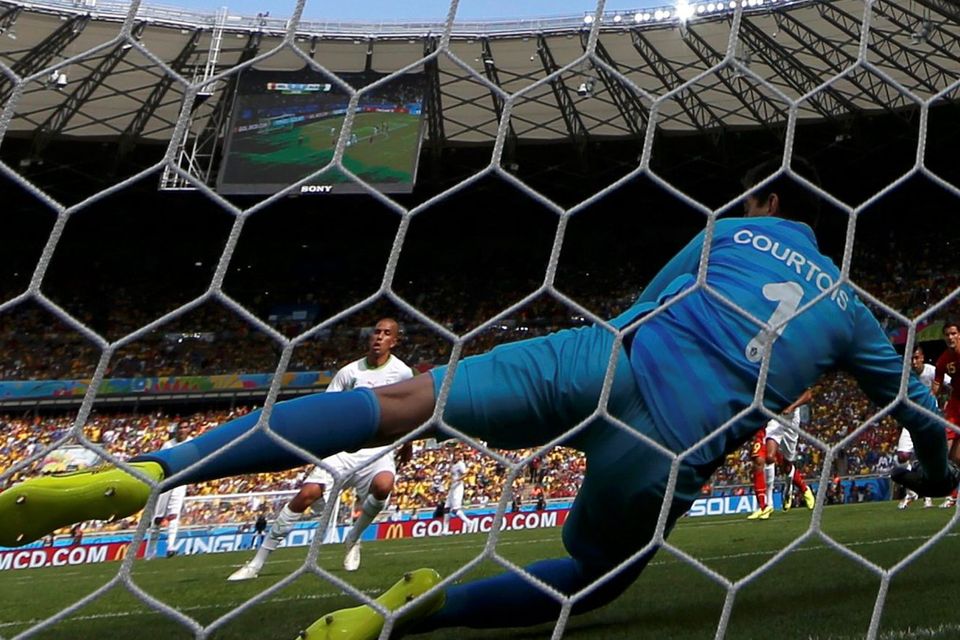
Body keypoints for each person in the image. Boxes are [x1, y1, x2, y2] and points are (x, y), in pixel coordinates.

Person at [2, 160, 957, 640]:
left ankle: (148, 469)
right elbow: (915, 411)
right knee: (597, 574)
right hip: (672, 437)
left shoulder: (724, 233)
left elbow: (653, 300)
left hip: (598, 359)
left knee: (400, 404)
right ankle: (410, 615)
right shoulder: (851, 311)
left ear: (767, 215)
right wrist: (945, 471)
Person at [228, 318, 414, 580]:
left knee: (384, 486)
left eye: (386, 334)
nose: (379, 337)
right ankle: (256, 563)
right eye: (376, 332)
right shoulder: (349, 373)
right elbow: (327, 409)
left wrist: (408, 443)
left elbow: (409, 409)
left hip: (378, 448)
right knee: (306, 495)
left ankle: (353, 538)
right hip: (345, 447)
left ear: (394, 341)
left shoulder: (403, 373)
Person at [898, 346, 943, 509]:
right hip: (911, 418)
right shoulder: (906, 375)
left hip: (929, 418)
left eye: (917, 358)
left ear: (923, 357)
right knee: (902, 456)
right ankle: (911, 494)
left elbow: (951, 383)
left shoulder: (932, 371)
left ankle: (928, 497)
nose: (914, 361)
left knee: (927, 457)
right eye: (911, 358)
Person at [145, 422, 191, 560]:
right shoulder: (167, 445)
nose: (182, 430)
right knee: (158, 518)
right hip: (166, 482)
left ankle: (171, 547)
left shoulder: (192, 443)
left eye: (185, 427)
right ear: (176, 431)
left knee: (174, 514)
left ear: (188, 429)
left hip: (180, 481)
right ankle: (150, 551)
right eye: (180, 428)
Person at [932, 320, 960, 508]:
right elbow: (936, 384)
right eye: (947, 334)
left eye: (953, 333)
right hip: (956, 404)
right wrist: (925, 401)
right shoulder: (943, 360)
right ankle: (953, 494)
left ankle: (953, 494)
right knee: (950, 452)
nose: (950, 337)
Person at [441, 450, 471, 534]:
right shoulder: (452, 463)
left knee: (455, 509)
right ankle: (445, 530)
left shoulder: (460, 464)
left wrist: (457, 480)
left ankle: (468, 522)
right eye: (456, 455)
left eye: (459, 455)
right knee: (446, 508)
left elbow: (465, 474)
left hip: (458, 487)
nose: (458, 456)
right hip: (452, 487)